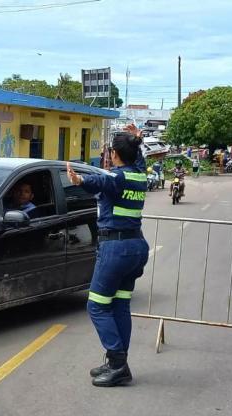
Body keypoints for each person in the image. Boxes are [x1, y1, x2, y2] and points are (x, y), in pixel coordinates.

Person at [66, 124, 149, 387]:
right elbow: (136, 162)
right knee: (119, 304)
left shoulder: (118, 178)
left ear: (114, 155)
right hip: (136, 246)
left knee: (97, 305)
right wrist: (137, 140)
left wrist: (80, 180)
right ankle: (118, 363)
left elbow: (102, 181)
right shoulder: (140, 175)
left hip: (116, 249)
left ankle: (117, 364)